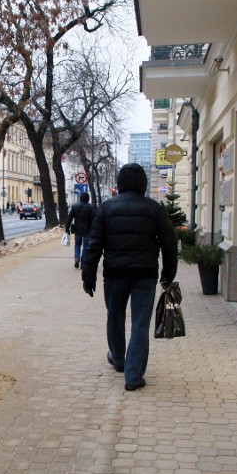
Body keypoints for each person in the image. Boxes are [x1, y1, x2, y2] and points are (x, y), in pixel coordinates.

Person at [81, 163, 178, 391]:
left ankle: (118, 358)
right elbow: (170, 244)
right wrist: (168, 273)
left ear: (120, 183)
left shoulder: (106, 208)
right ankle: (133, 376)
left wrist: (88, 276)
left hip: (114, 273)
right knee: (139, 324)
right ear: (143, 184)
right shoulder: (154, 209)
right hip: (145, 274)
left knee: (114, 317)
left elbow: (94, 245)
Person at [65, 192, 95, 269]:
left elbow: (69, 218)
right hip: (87, 230)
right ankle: (83, 262)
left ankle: (77, 259)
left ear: (80, 198)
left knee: (77, 244)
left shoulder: (75, 206)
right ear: (87, 198)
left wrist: (67, 229)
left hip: (77, 230)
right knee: (86, 246)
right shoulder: (90, 207)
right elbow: (94, 219)